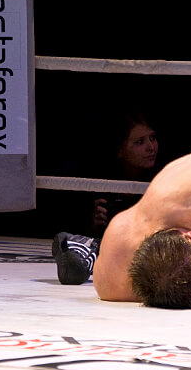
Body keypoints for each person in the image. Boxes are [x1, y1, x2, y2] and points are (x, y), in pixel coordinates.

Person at [52, 111, 161, 285]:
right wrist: (93, 225)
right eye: (140, 142)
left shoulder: (164, 178)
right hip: (112, 245)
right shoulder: (100, 183)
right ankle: (81, 248)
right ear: (120, 150)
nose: (151, 147)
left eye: (152, 138)